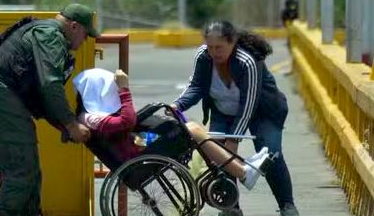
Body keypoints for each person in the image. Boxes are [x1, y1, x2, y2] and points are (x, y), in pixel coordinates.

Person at [0, 3, 96, 216]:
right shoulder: (51, 36)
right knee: (20, 170)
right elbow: (51, 86)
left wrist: (66, 125)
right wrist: (70, 123)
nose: (85, 40)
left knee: (30, 168)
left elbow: (42, 96)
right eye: (86, 34)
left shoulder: (44, 32)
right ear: (74, 27)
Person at [170, 20, 299, 216]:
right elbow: (196, 87)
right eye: (210, 47)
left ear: (233, 42)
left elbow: (249, 103)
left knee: (271, 154)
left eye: (219, 47)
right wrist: (176, 106)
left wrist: (234, 139)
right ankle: (231, 211)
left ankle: (288, 207)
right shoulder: (203, 57)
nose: (214, 52)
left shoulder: (247, 61)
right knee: (217, 155)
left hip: (262, 111)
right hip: (223, 110)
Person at [74, 68, 270, 190]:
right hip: (136, 162)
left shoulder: (93, 113)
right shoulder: (91, 117)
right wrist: (124, 90)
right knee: (191, 131)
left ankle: (236, 169)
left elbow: (127, 123)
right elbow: (126, 121)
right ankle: (242, 173)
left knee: (190, 127)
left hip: (136, 153)